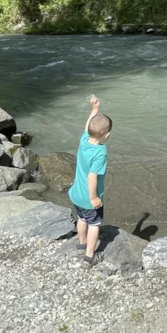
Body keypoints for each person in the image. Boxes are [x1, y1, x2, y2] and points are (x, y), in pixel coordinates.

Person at [68, 94, 112, 264]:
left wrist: (94, 110)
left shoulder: (84, 139)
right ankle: (89, 257)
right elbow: (92, 176)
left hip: (76, 194)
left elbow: (88, 127)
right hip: (88, 198)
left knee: (82, 219)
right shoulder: (100, 152)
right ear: (106, 135)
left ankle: (81, 245)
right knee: (94, 224)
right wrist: (94, 197)